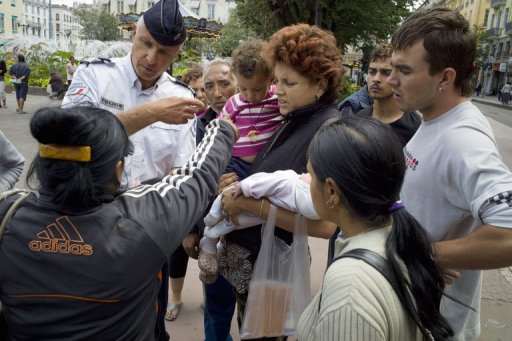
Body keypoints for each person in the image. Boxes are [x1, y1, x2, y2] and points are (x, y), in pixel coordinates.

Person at [0, 105, 237, 340]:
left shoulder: (8, 213)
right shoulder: (142, 221)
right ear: (118, 168)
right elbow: (197, 176)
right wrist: (223, 127)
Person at [388, 7, 512, 340]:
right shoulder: (432, 119)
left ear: (445, 77)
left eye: (403, 70)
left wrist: (427, 256)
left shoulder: (463, 138)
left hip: (435, 326)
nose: (390, 80)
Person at [220, 24, 343, 338]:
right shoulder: (294, 116)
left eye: (289, 82)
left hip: (274, 268)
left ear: (320, 85)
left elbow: (326, 225)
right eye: (277, 80)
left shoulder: (326, 131)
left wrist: (246, 203)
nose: (279, 90)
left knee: (267, 335)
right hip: (258, 264)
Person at [296, 117, 453, 340]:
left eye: (311, 175)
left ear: (332, 191)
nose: (306, 182)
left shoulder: (350, 288)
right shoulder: (398, 237)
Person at [62, 0, 198, 189]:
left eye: (164, 52)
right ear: (134, 33)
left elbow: (182, 168)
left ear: (177, 52)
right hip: (93, 206)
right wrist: (151, 113)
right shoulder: (94, 75)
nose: (151, 59)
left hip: (151, 208)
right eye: (146, 43)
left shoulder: (182, 97)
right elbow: (68, 138)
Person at [198, 39, 282, 280]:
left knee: (247, 212)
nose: (250, 95)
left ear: (271, 79)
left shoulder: (277, 99)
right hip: (236, 163)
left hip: (262, 168)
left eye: (257, 89)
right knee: (226, 201)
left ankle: (213, 237)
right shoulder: (235, 102)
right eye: (244, 89)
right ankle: (210, 233)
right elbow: (220, 128)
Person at [164, 62, 209, 322]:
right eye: (195, 90)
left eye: (205, 89)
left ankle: (208, 297)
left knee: (209, 253)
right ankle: (176, 298)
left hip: (207, 205)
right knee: (177, 254)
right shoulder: (178, 122)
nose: (201, 95)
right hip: (181, 202)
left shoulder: (218, 120)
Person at [356, 43, 421, 146]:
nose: (376, 79)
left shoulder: (416, 129)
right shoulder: (357, 120)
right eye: (372, 72)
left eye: (386, 73)